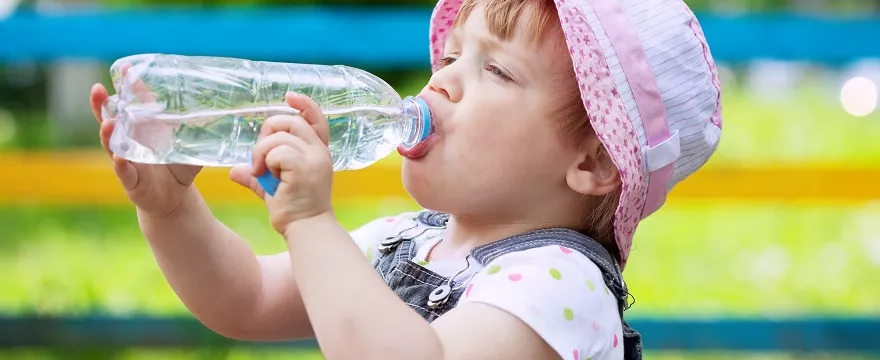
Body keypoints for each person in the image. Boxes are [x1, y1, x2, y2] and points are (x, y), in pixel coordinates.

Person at [88, 0, 722, 358]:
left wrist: (311, 224)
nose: (440, 80)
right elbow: (247, 298)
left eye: (495, 71)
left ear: (591, 163)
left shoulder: (564, 286)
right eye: (450, 58)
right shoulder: (410, 241)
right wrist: (172, 211)